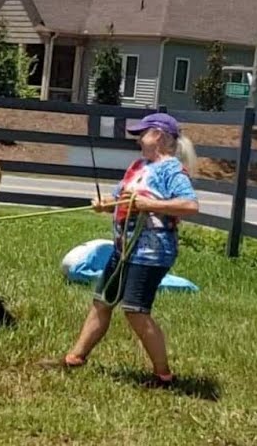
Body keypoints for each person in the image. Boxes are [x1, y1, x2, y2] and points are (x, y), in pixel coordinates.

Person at [42, 112, 200, 387]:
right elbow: (121, 198)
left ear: (158, 136)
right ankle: (74, 359)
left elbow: (190, 206)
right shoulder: (139, 166)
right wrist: (105, 203)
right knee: (102, 302)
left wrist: (148, 205)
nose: (138, 139)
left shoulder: (171, 170)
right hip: (124, 248)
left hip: (151, 252)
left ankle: (164, 376)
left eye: (142, 133)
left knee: (136, 310)